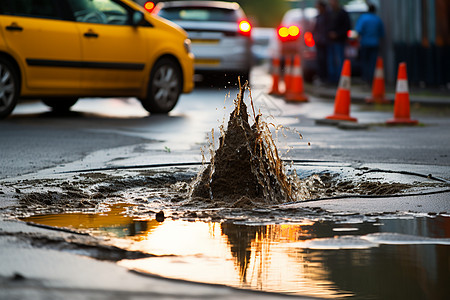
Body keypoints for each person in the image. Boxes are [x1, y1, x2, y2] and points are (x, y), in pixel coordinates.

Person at [355, 4, 385, 84]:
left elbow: (358, 31)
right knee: (373, 62)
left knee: (365, 62)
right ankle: (372, 79)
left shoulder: (363, 18)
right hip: (375, 43)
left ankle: (365, 78)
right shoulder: (377, 19)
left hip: (365, 43)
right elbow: (382, 33)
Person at [326, 0, 351, 84]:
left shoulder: (342, 13)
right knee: (331, 60)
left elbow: (347, 26)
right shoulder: (328, 13)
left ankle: (340, 78)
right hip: (330, 41)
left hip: (339, 40)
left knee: (340, 59)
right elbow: (324, 26)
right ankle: (332, 78)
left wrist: (337, 34)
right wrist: (329, 34)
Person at [313, 0, 329, 84]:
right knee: (320, 60)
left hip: (324, 42)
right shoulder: (319, 16)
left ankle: (324, 78)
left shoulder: (326, 17)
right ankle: (321, 77)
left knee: (324, 60)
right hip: (319, 42)